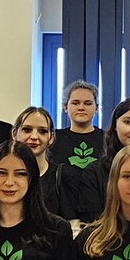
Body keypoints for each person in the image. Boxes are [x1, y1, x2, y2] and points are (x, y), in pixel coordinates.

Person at [50, 81, 106, 226]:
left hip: (100, 217)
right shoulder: (53, 139)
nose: (81, 107)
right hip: (61, 217)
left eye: (88, 103)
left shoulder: (108, 140)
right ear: (65, 107)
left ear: (97, 108)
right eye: (75, 103)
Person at [10, 106, 64, 218]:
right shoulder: (1, 176)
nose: (34, 137)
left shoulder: (62, 177)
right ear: (14, 134)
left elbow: (71, 222)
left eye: (42, 131)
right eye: (27, 130)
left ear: (51, 137)